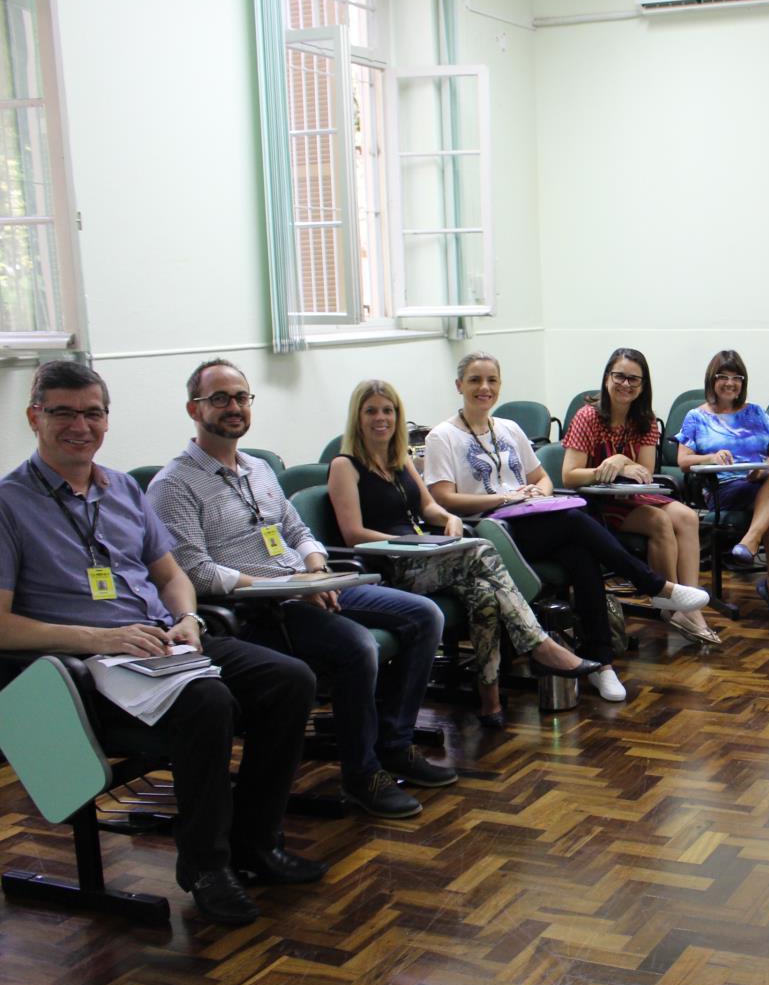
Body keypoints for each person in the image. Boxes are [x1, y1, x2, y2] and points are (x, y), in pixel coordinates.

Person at [0, 360, 323, 927]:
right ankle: (205, 867)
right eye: (64, 413)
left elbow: (172, 575)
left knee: (289, 680)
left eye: (93, 412)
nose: (81, 425)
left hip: (159, 645)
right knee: (208, 702)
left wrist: (187, 620)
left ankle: (255, 844)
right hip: (79, 667)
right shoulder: (8, 504)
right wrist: (103, 636)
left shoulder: (123, 487)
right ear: (34, 417)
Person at [149, 359, 455, 821]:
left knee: (424, 615)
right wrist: (285, 584)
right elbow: (195, 573)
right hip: (255, 609)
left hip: (308, 585)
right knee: (356, 647)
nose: (233, 407)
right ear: (194, 408)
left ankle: (395, 745)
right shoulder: (173, 485)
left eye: (241, 398)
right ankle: (361, 773)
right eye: (220, 399)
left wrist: (314, 567)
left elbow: (298, 532)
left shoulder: (258, 468)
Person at [422, 352, 708, 702]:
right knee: (576, 520)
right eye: (475, 381)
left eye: (492, 380)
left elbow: (542, 478)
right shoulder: (442, 437)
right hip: (488, 532)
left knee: (580, 554)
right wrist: (504, 499)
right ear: (459, 386)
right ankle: (655, 585)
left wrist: (534, 494)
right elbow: (443, 500)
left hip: (528, 519)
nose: (485, 388)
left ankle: (602, 664)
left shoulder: (509, 428)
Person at [328, 379, 602, 731]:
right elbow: (353, 534)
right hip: (390, 567)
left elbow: (429, 506)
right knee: (483, 549)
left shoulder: (399, 459)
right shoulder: (345, 466)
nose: (381, 418)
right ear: (357, 417)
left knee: (485, 597)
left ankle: (489, 699)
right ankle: (539, 645)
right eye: (371, 411)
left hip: (428, 556)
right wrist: (412, 545)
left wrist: (449, 518)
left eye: (388, 410)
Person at [562, 349, 717, 643]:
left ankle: (689, 604)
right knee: (659, 520)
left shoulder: (644, 419)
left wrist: (620, 459)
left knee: (686, 516)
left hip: (630, 495)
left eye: (635, 379)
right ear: (607, 377)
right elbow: (570, 476)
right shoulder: (588, 416)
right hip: (595, 501)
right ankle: (669, 601)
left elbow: (645, 471)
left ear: (643, 385)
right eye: (619, 376)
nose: (626, 384)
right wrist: (605, 468)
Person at [674, 350, 769, 622]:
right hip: (724, 488)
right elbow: (683, 461)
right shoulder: (696, 416)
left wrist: (763, 466)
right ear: (712, 379)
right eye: (723, 377)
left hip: (759, 481)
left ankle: (751, 544)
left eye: (737, 377)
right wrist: (710, 456)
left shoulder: (756, 413)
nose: (730, 383)